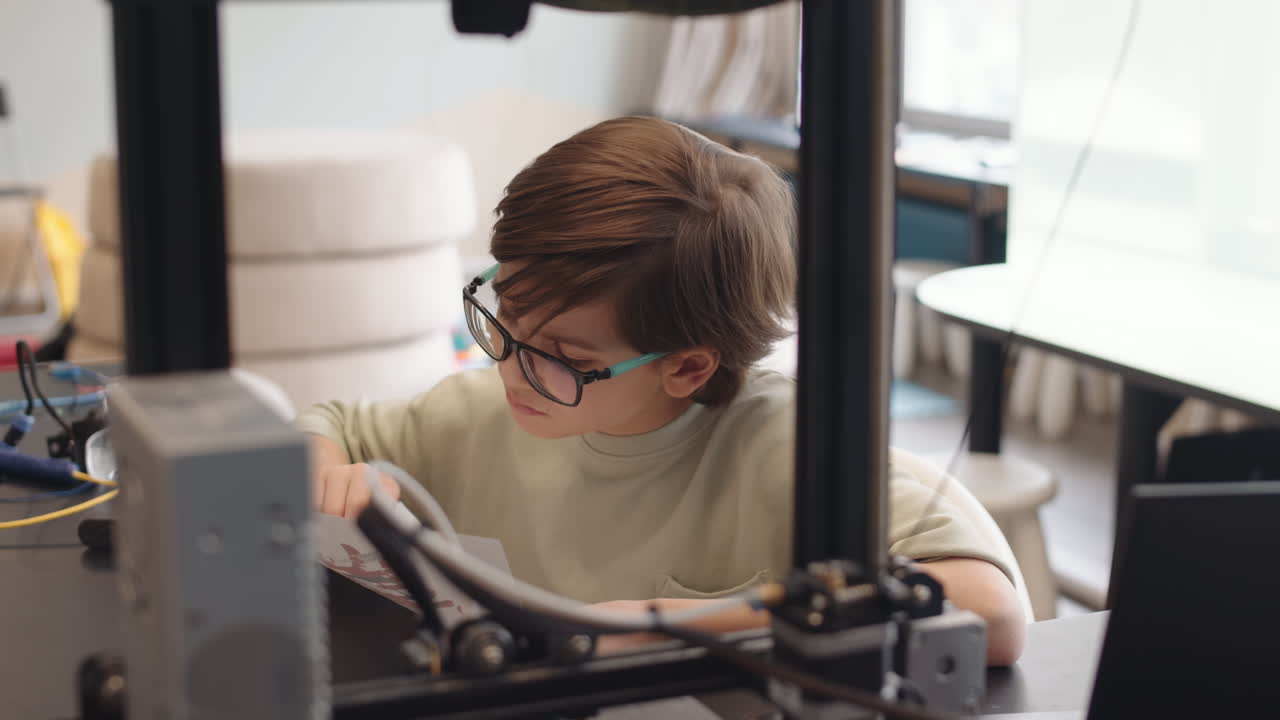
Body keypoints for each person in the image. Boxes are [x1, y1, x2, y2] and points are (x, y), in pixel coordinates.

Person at [297, 116, 1025, 664]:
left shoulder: (784, 448)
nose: (511, 368)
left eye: (561, 356)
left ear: (686, 368)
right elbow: (328, 423)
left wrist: (658, 621)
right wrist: (328, 478)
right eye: (504, 318)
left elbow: (992, 613)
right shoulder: (480, 413)